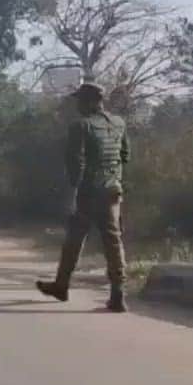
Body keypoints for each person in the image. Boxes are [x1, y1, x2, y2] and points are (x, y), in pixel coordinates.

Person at [36, 81, 130, 312]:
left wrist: (74, 189)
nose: (77, 105)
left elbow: (75, 162)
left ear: (89, 102)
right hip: (113, 189)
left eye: (79, 100)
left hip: (90, 191)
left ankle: (62, 285)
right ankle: (118, 292)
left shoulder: (80, 126)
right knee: (112, 240)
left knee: (75, 239)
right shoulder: (118, 123)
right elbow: (125, 155)